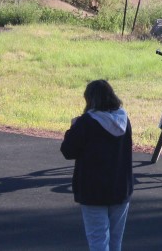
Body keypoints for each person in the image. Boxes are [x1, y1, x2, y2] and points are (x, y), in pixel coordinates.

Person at [60, 80, 133, 251]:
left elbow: (68, 151)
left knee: (98, 241)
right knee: (115, 242)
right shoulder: (124, 119)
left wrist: (72, 128)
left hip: (93, 190)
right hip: (120, 187)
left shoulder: (86, 122)